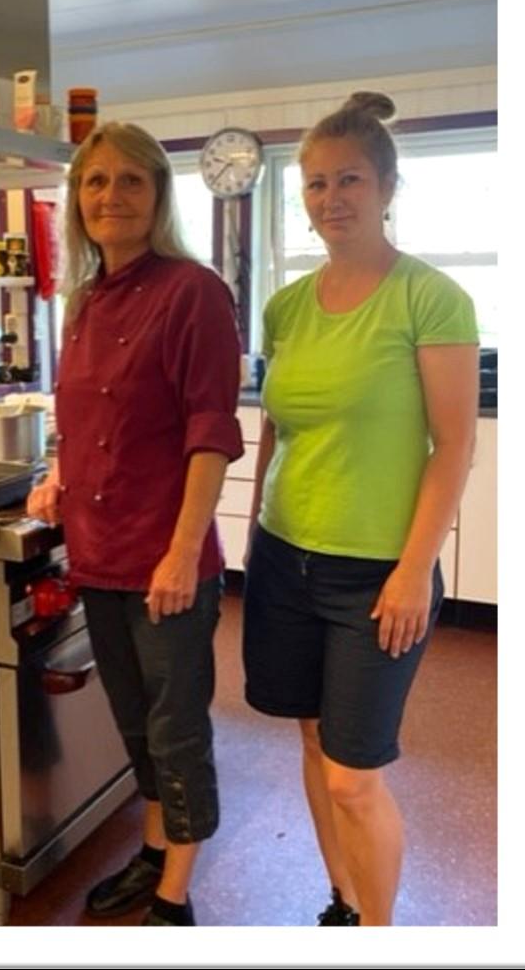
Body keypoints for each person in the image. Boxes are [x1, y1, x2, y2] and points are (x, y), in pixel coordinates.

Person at [241, 91, 479, 926]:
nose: (330, 197)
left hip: (375, 573)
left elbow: (453, 443)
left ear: (385, 187)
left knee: (353, 773)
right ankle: (341, 902)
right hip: (283, 558)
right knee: (311, 737)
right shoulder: (285, 307)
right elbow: (275, 430)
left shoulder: (429, 297)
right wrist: (253, 536)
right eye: (314, 182)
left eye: (348, 179)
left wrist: (414, 570)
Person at [27, 121, 243, 926]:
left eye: (129, 180)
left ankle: (174, 899)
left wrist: (183, 552)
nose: (109, 196)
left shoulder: (193, 290)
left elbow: (209, 430)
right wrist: (57, 474)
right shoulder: (83, 300)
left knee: (175, 728)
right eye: (94, 181)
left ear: (157, 196)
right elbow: (83, 418)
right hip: (99, 551)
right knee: (134, 722)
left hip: (164, 557)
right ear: (76, 199)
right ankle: (154, 852)